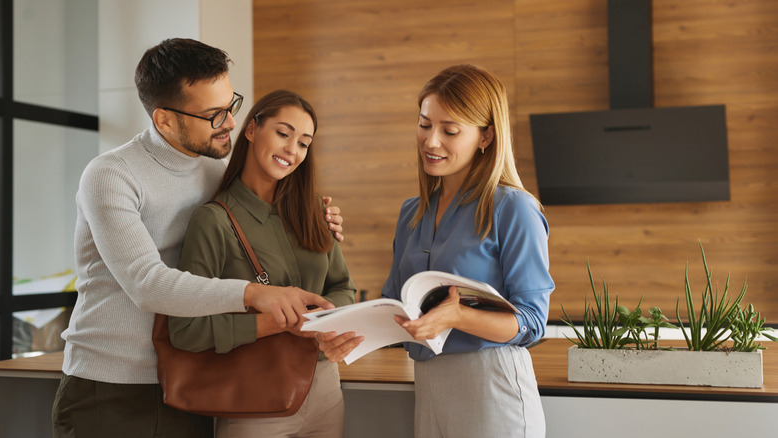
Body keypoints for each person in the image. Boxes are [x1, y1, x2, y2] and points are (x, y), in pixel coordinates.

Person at [52, 39, 344, 438]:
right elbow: (146, 283)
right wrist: (256, 295)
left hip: (194, 378)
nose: (229, 122)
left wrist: (319, 218)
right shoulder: (111, 176)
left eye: (231, 105)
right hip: (111, 386)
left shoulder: (214, 172)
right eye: (213, 114)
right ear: (165, 120)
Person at [318, 64, 554, 437]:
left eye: (450, 130)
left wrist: (457, 315)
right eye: (425, 124)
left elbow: (532, 323)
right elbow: (396, 307)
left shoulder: (513, 208)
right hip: (429, 385)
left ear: (486, 136)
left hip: (492, 385)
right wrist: (347, 333)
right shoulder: (412, 212)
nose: (431, 141)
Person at [168, 90, 355, 438]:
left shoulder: (315, 210)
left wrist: (325, 320)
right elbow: (184, 331)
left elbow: (342, 286)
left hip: (326, 389)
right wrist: (273, 323)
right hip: (252, 398)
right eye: (283, 133)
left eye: (304, 143)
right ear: (252, 129)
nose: (292, 150)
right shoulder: (213, 221)